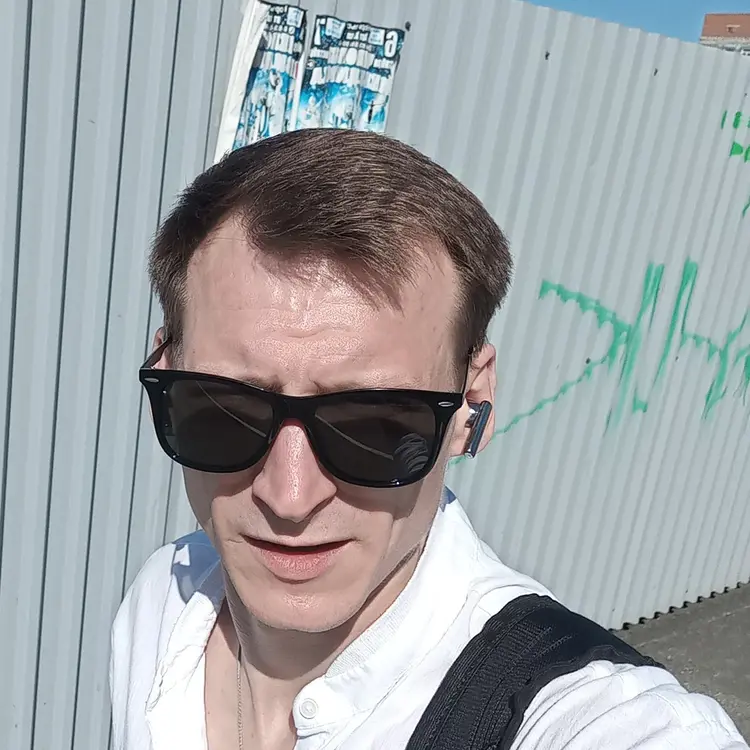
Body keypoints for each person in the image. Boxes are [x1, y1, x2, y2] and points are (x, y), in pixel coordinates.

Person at [109, 129, 747, 750]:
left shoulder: (584, 716)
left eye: (374, 425)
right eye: (226, 409)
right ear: (165, 369)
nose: (290, 496)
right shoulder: (160, 603)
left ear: (473, 405)